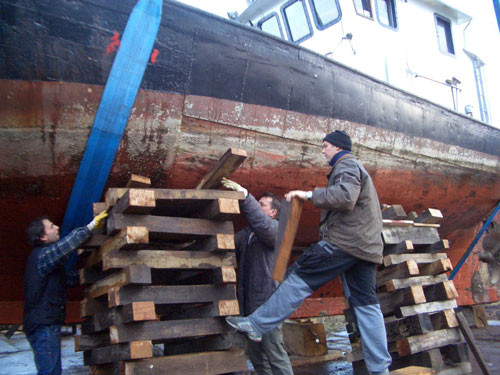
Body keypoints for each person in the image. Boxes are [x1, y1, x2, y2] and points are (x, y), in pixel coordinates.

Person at [226, 130, 392, 375]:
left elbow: (346, 196)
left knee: (297, 275)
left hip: (345, 242)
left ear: (337, 147)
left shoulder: (347, 164)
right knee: (366, 305)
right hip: (366, 249)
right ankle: (381, 370)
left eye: (325, 146)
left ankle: (256, 324)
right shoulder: (355, 168)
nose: (323, 150)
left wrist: (308, 194)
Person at [222, 177, 294, 375]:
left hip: (268, 307)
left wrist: (246, 197)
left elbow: (262, 225)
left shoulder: (277, 230)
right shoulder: (248, 234)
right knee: (257, 358)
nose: (258, 207)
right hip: (249, 307)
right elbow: (229, 244)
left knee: (275, 355)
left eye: (261, 205)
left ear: (273, 213)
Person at [23, 210, 108, 375]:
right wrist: (89, 227)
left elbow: (69, 280)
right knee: (50, 371)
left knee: (52, 370)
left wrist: (100, 270)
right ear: (42, 237)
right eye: (51, 226)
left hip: (45, 324)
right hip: (43, 325)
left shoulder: (48, 264)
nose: (57, 227)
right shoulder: (42, 256)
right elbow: (64, 248)